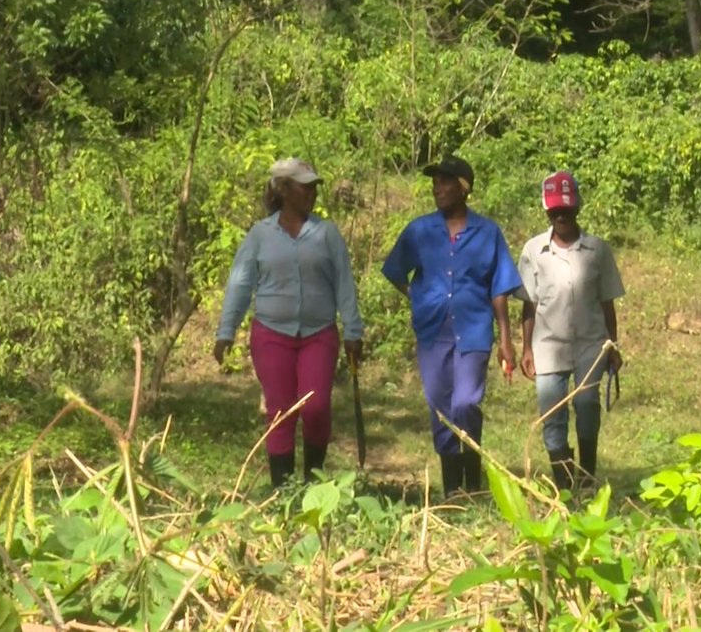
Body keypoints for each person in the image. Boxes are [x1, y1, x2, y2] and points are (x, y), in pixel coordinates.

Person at [214, 158, 364, 487]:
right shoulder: (260, 235)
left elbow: (344, 284)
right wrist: (226, 330)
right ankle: (282, 489)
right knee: (280, 411)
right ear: (283, 189)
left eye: (314, 187)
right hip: (271, 334)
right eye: (304, 187)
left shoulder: (326, 233)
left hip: (318, 334)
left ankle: (313, 482)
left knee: (316, 407)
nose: (312, 193)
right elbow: (240, 284)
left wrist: (353, 331)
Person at [381, 155, 521, 498]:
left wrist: (506, 340)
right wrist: (416, 296)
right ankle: (452, 489)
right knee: (440, 408)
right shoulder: (420, 230)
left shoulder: (487, 233)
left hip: (474, 330)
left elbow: (499, 289)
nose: (437, 189)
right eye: (435, 183)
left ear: (463, 188)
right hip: (433, 332)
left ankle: (473, 480)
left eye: (445, 182)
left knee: (466, 403)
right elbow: (394, 269)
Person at [516, 171, 625, 491]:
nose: (561, 217)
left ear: (577, 207)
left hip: (591, 343)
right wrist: (526, 348)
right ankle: (563, 484)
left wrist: (613, 346)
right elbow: (529, 305)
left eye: (566, 209)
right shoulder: (534, 251)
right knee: (552, 414)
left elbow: (607, 302)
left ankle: (587, 476)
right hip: (548, 344)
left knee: (587, 404)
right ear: (546, 211)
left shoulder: (598, 250)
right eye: (554, 211)